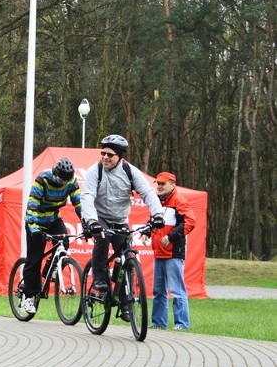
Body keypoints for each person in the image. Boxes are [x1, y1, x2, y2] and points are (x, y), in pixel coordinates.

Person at [80, 134, 164, 320]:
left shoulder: (130, 172)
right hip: (99, 216)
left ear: (120, 157)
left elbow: (148, 193)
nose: (105, 158)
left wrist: (157, 214)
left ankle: (125, 301)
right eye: (103, 153)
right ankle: (100, 280)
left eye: (110, 155)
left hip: (119, 219)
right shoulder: (95, 171)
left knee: (127, 255)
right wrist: (91, 222)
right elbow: (86, 196)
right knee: (101, 239)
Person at [21, 157, 82, 314]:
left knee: (64, 241)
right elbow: (32, 205)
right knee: (34, 259)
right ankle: (27, 297)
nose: (63, 182)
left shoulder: (71, 181)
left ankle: (51, 268)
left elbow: (79, 204)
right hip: (36, 220)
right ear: (56, 173)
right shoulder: (43, 179)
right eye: (61, 179)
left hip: (54, 218)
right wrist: (34, 229)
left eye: (66, 180)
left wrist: (87, 222)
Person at [149, 172, 196, 330]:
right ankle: (158, 322)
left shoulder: (179, 201)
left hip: (173, 253)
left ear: (172, 184)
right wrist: (145, 232)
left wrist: (171, 237)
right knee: (158, 291)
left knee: (177, 290)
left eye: (163, 184)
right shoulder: (157, 202)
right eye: (158, 184)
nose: (160, 186)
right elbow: (154, 222)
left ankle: (182, 324)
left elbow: (190, 222)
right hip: (159, 252)